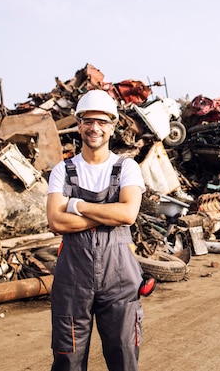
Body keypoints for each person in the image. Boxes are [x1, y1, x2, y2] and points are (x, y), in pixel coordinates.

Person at [46, 89, 146, 371]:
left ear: (112, 126)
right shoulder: (63, 170)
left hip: (119, 279)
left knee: (123, 358)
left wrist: (77, 206)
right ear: (78, 125)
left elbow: (128, 213)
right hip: (72, 280)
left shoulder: (126, 167)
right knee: (68, 360)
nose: (95, 128)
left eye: (102, 122)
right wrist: (108, 213)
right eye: (88, 121)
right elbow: (55, 221)